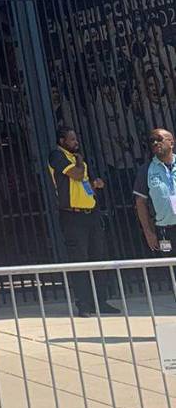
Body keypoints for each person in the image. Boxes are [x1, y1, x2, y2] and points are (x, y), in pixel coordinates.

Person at [47, 126, 120, 317]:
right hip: (72, 216)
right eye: (72, 139)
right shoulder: (57, 156)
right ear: (62, 141)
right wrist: (80, 161)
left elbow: (84, 182)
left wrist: (95, 185)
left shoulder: (78, 159)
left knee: (99, 257)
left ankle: (101, 301)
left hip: (91, 213)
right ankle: (84, 304)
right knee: (79, 260)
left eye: (75, 139)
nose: (76, 142)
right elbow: (77, 175)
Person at [134, 129, 176, 254]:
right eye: (152, 141)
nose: (155, 143)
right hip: (164, 230)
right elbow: (140, 203)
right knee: (170, 267)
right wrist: (148, 232)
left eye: (159, 139)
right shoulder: (146, 170)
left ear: (171, 143)